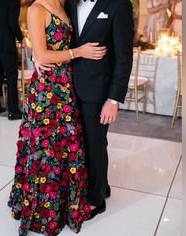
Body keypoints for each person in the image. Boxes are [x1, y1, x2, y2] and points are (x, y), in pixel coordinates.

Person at [8, 0, 108, 235]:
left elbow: (47, 50)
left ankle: (64, 204)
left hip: (67, 87)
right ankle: (44, 209)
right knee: (47, 148)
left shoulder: (65, 5)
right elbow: (42, 53)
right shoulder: (36, 9)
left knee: (65, 146)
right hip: (47, 90)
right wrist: (78, 52)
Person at [37, 0, 134, 220]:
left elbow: (124, 57)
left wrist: (113, 99)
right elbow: (56, 37)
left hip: (98, 91)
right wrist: (37, 54)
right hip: (66, 89)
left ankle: (96, 200)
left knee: (95, 144)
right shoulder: (69, 3)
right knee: (79, 143)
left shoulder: (119, 5)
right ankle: (102, 186)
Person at [0, 0, 26, 120]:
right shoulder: (14, 2)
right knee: (12, 75)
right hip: (6, 42)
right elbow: (13, 23)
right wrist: (21, 38)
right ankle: (13, 111)